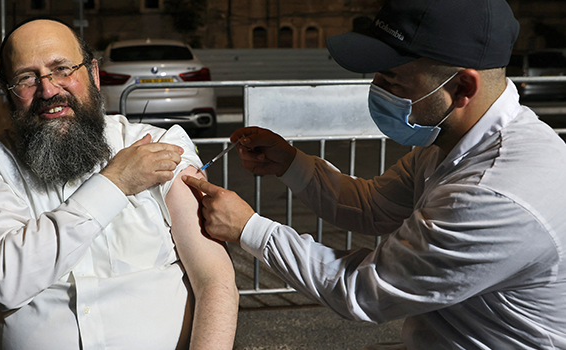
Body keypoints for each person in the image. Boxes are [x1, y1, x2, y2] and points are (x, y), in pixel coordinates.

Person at [183, 0, 566, 349]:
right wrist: (289, 162)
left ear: (462, 86)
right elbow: (372, 206)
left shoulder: (495, 193)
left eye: (392, 80)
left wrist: (249, 228)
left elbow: (362, 289)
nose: (376, 89)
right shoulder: (452, 144)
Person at [0, 18, 238, 350]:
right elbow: (5, 279)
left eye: (61, 69)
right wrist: (115, 183)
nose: (48, 90)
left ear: (93, 75)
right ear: (9, 93)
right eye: (26, 77)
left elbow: (215, 282)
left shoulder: (158, 145)